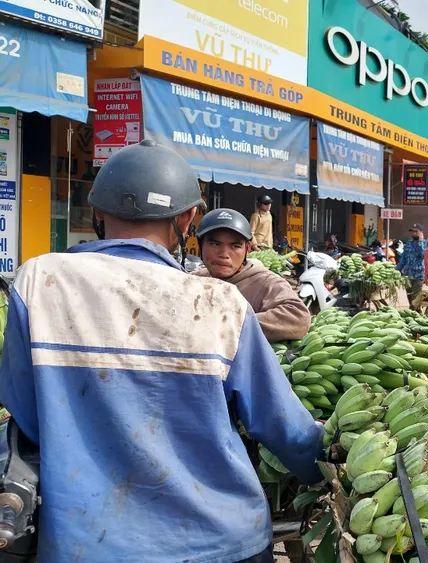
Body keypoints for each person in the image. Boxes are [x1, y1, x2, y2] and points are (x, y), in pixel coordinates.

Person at [0, 140, 324, 562]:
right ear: (188, 219)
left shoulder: (37, 282)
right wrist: (325, 470)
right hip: (220, 540)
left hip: (87, 541)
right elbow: (283, 427)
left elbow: (25, 411)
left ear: (97, 211)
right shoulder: (219, 304)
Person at [193, 208, 311, 343]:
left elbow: (299, 318)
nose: (224, 254)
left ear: (247, 249)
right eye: (214, 244)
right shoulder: (194, 279)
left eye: (235, 246)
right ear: (200, 245)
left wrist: (227, 323)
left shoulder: (265, 282)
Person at [396, 224, 427, 304]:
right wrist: (397, 270)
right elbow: (403, 258)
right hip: (408, 275)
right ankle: (417, 312)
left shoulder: (425, 244)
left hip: (419, 275)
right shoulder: (409, 244)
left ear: (421, 232)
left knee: (415, 298)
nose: (414, 233)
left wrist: (420, 242)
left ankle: (414, 312)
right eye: (412, 231)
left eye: (416, 231)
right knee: (409, 297)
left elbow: (423, 254)